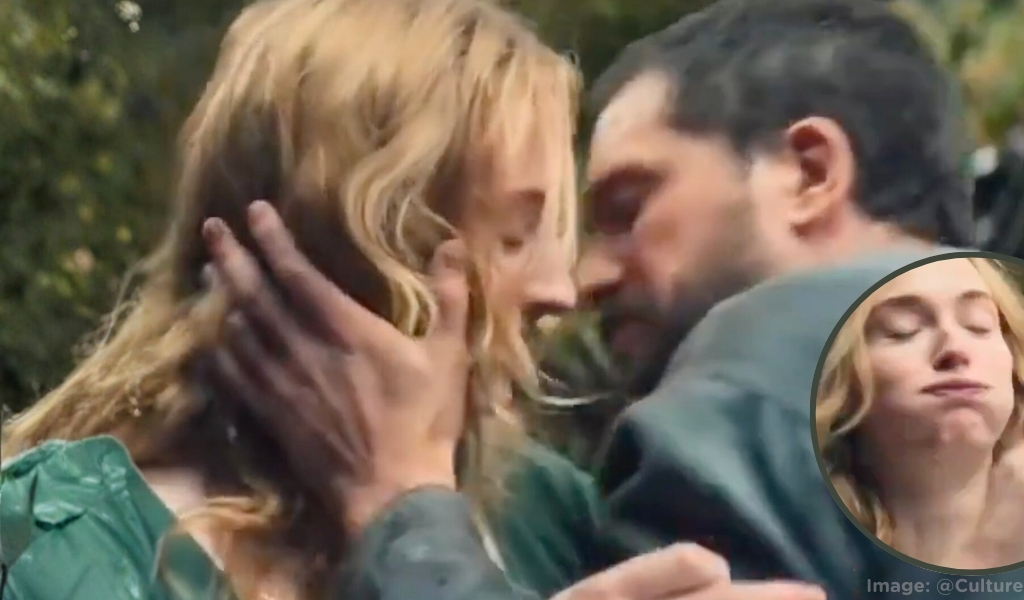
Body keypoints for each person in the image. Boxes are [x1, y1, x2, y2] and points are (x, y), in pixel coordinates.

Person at [180, 0, 1024, 599]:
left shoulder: (759, 362)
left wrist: (405, 509)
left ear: (808, 173)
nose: (582, 281)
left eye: (629, 207)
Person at [0, 0, 622, 597]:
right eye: (514, 237)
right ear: (351, 251)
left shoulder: (544, 517)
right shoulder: (63, 546)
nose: (558, 291)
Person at [816, 257, 1024, 569]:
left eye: (978, 325)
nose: (954, 349)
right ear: (843, 383)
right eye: (903, 329)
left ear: (1016, 372)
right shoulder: (804, 553)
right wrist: (994, 550)